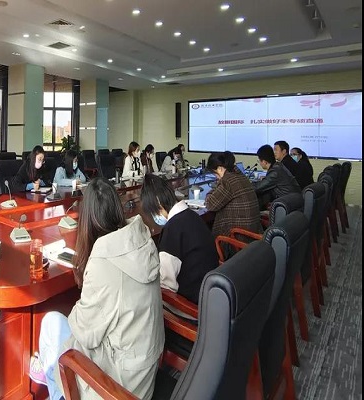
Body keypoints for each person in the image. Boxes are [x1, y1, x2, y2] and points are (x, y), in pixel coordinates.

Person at [32, 178, 164, 400]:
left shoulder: (104, 263)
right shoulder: (142, 241)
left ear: (86, 219)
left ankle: (55, 389)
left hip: (119, 386)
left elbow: (86, 334)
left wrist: (80, 307)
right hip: (143, 370)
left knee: (51, 325)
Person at [141, 174, 218, 304]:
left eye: (153, 212)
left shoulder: (172, 230)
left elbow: (167, 285)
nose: (154, 217)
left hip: (193, 304)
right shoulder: (192, 215)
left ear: (159, 205)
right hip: (211, 292)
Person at [204, 152, 262, 238]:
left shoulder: (228, 181)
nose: (216, 177)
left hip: (239, 237)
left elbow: (210, 204)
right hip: (253, 231)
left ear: (220, 169)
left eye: (215, 174)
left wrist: (211, 191)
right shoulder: (240, 176)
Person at [253, 144, 301, 210]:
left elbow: (257, 187)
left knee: (258, 194)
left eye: (259, 160)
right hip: (293, 200)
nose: (260, 163)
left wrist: (245, 185)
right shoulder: (278, 166)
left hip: (290, 204)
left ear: (264, 161)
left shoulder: (275, 172)